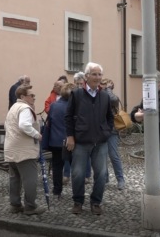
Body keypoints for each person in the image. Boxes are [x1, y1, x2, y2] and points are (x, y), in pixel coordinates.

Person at [65, 62, 114, 215]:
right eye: (94, 74)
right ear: (86, 76)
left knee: (101, 174)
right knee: (78, 173)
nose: (97, 77)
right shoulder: (77, 94)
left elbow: (109, 117)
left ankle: (96, 202)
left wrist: (106, 131)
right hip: (80, 141)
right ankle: (78, 202)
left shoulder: (105, 96)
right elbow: (68, 117)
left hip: (100, 142)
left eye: (100, 74)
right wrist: (70, 136)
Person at [131, 71, 160, 203]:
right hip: (150, 140)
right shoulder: (147, 97)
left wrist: (145, 113)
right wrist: (135, 116)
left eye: (148, 83)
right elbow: (135, 111)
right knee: (151, 169)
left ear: (159, 84)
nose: (145, 85)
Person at [4, 85, 46, 215]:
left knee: (15, 178)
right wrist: (37, 134)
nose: (34, 97)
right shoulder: (25, 108)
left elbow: (6, 125)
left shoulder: (13, 108)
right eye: (31, 95)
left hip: (11, 147)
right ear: (22, 97)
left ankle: (15, 204)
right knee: (30, 179)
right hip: (24, 150)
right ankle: (30, 206)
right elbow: (24, 125)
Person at [47, 83, 75, 198]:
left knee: (57, 166)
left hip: (56, 141)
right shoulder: (74, 107)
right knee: (76, 166)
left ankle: (57, 191)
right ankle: (77, 191)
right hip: (71, 141)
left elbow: (50, 121)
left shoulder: (54, 106)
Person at [63, 71, 91, 185]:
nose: (79, 85)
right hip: (72, 127)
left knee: (86, 153)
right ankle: (66, 174)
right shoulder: (72, 93)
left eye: (81, 83)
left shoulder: (87, 94)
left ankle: (87, 175)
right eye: (77, 83)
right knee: (68, 151)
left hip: (84, 128)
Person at [100, 78, 125, 190]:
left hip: (111, 130)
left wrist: (108, 89)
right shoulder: (98, 95)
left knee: (113, 155)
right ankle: (104, 178)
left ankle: (120, 179)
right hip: (100, 130)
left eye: (105, 84)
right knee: (102, 155)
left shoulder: (113, 97)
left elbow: (112, 99)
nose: (102, 86)